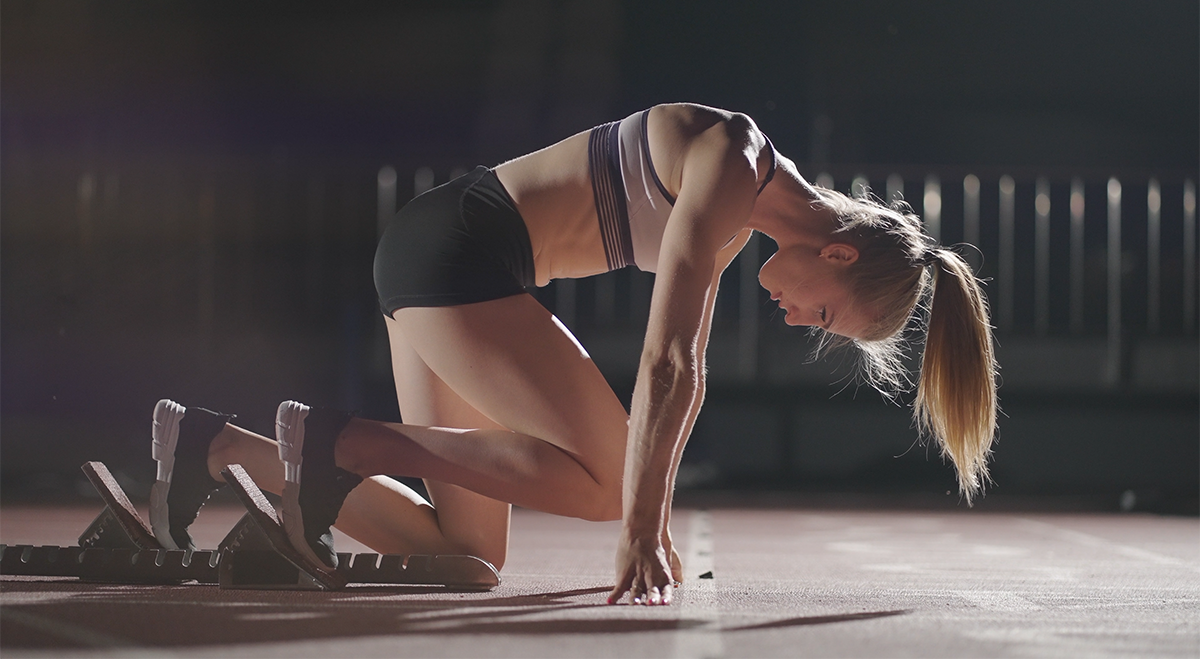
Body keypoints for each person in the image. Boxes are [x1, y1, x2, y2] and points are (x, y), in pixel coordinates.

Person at [147, 102, 997, 606]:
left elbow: (689, 368)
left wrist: (656, 530)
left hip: (444, 256)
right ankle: (344, 444)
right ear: (840, 255)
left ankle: (217, 450)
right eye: (827, 315)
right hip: (458, 251)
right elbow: (667, 360)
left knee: (466, 554)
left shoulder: (746, 210)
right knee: (603, 485)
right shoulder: (735, 158)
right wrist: (634, 523)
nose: (800, 321)